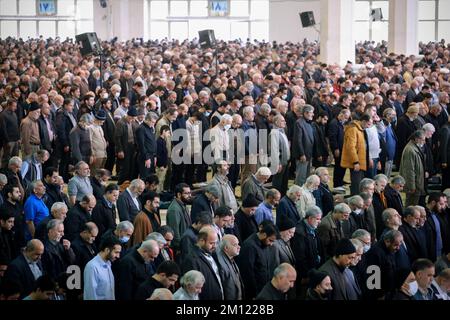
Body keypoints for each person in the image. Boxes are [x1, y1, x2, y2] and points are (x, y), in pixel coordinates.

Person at [236, 221, 278, 299]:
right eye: (270, 240)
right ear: (264, 235)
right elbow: (247, 274)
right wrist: (253, 294)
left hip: (264, 289)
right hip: (255, 293)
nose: (271, 244)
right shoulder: (249, 246)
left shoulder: (264, 244)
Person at [181, 226, 224, 300]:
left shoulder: (211, 254)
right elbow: (193, 288)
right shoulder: (192, 259)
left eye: (215, 243)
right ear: (201, 241)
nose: (215, 246)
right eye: (211, 243)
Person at [341, 113, 372, 195]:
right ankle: (355, 202)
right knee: (356, 185)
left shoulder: (360, 130)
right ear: (364, 121)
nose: (369, 126)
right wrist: (355, 162)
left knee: (360, 185)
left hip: (361, 162)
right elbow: (351, 147)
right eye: (368, 124)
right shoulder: (353, 129)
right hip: (356, 163)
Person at [83, 235, 122, 300]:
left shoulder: (108, 263)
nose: (118, 256)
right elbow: (90, 295)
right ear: (107, 250)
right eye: (116, 252)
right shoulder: (92, 267)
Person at [399, 130, 427, 206]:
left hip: (417, 183)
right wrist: (411, 186)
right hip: (413, 185)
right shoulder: (410, 150)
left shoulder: (414, 147)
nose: (424, 142)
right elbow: (409, 170)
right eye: (423, 140)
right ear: (417, 139)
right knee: (411, 206)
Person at [216, 234, 244, 300]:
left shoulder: (231, 258)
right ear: (226, 248)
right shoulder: (221, 264)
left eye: (238, 244)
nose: (239, 247)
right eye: (235, 245)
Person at [166, 183, 192, 253]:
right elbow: (175, 231)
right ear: (179, 195)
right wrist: (179, 247)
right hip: (180, 248)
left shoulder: (183, 205)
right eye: (187, 193)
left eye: (190, 193)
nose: (190, 196)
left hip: (186, 244)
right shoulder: (174, 209)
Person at [135, 112, 158, 180]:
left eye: (154, 122)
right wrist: (146, 158)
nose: (153, 124)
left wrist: (155, 156)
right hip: (145, 157)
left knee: (150, 177)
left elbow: (153, 142)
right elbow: (141, 145)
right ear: (147, 119)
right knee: (145, 178)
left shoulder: (150, 128)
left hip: (152, 155)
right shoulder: (141, 128)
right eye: (152, 122)